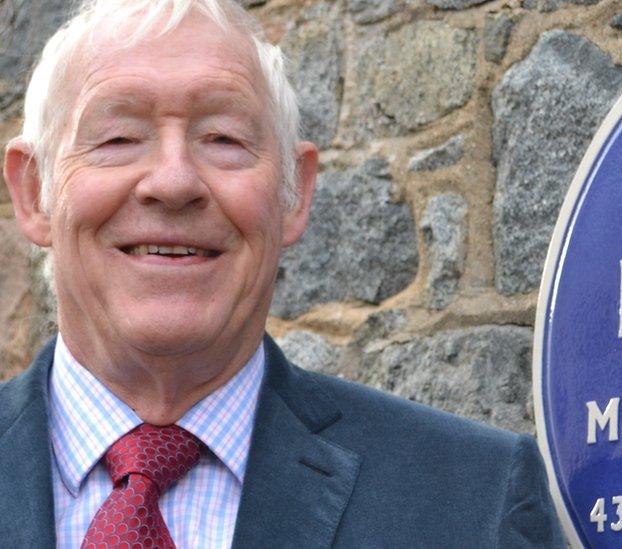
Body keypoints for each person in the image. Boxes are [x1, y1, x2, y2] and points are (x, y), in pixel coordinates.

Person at [0, 0, 565, 546]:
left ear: (294, 194)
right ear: (33, 194)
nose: (173, 182)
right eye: (119, 138)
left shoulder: (475, 498)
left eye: (223, 139)